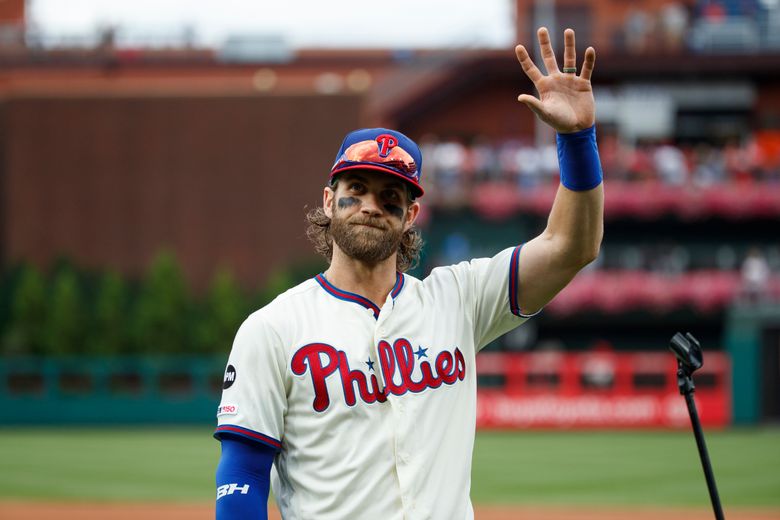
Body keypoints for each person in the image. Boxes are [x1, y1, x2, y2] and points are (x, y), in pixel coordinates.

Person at [214, 27, 604, 520]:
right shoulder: (272, 329)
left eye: (391, 197)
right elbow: (242, 477)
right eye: (356, 188)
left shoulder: (458, 300)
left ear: (411, 216)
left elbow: (572, 246)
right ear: (329, 200)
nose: (372, 206)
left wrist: (577, 139)